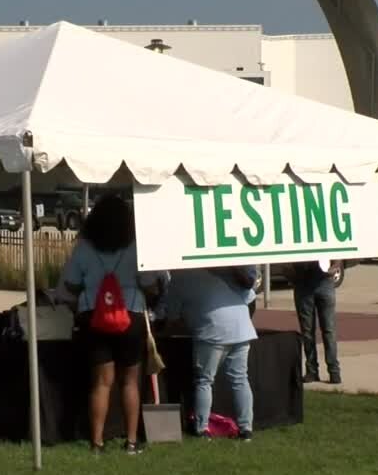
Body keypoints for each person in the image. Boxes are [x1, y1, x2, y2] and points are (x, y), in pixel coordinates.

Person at [61, 194, 162, 455]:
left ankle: (96, 442)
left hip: (94, 316)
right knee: (130, 381)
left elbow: (70, 284)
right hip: (130, 314)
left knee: (101, 382)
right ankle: (130, 441)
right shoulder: (136, 247)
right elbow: (149, 283)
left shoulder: (84, 247)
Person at [164, 268, 257, 441]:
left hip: (212, 330)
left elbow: (171, 314)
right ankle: (246, 429)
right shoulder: (220, 266)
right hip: (241, 327)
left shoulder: (180, 276)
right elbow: (250, 297)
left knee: (204, 380)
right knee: (240, 379)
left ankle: (202, 429)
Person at [290, 259, 342, 385]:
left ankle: (334, 371)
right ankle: (312, 371)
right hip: (303, 282)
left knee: (328, 329)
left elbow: (338, 254)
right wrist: (289, 273)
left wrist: (335, 265)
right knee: (307, 331)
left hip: (324, 282)